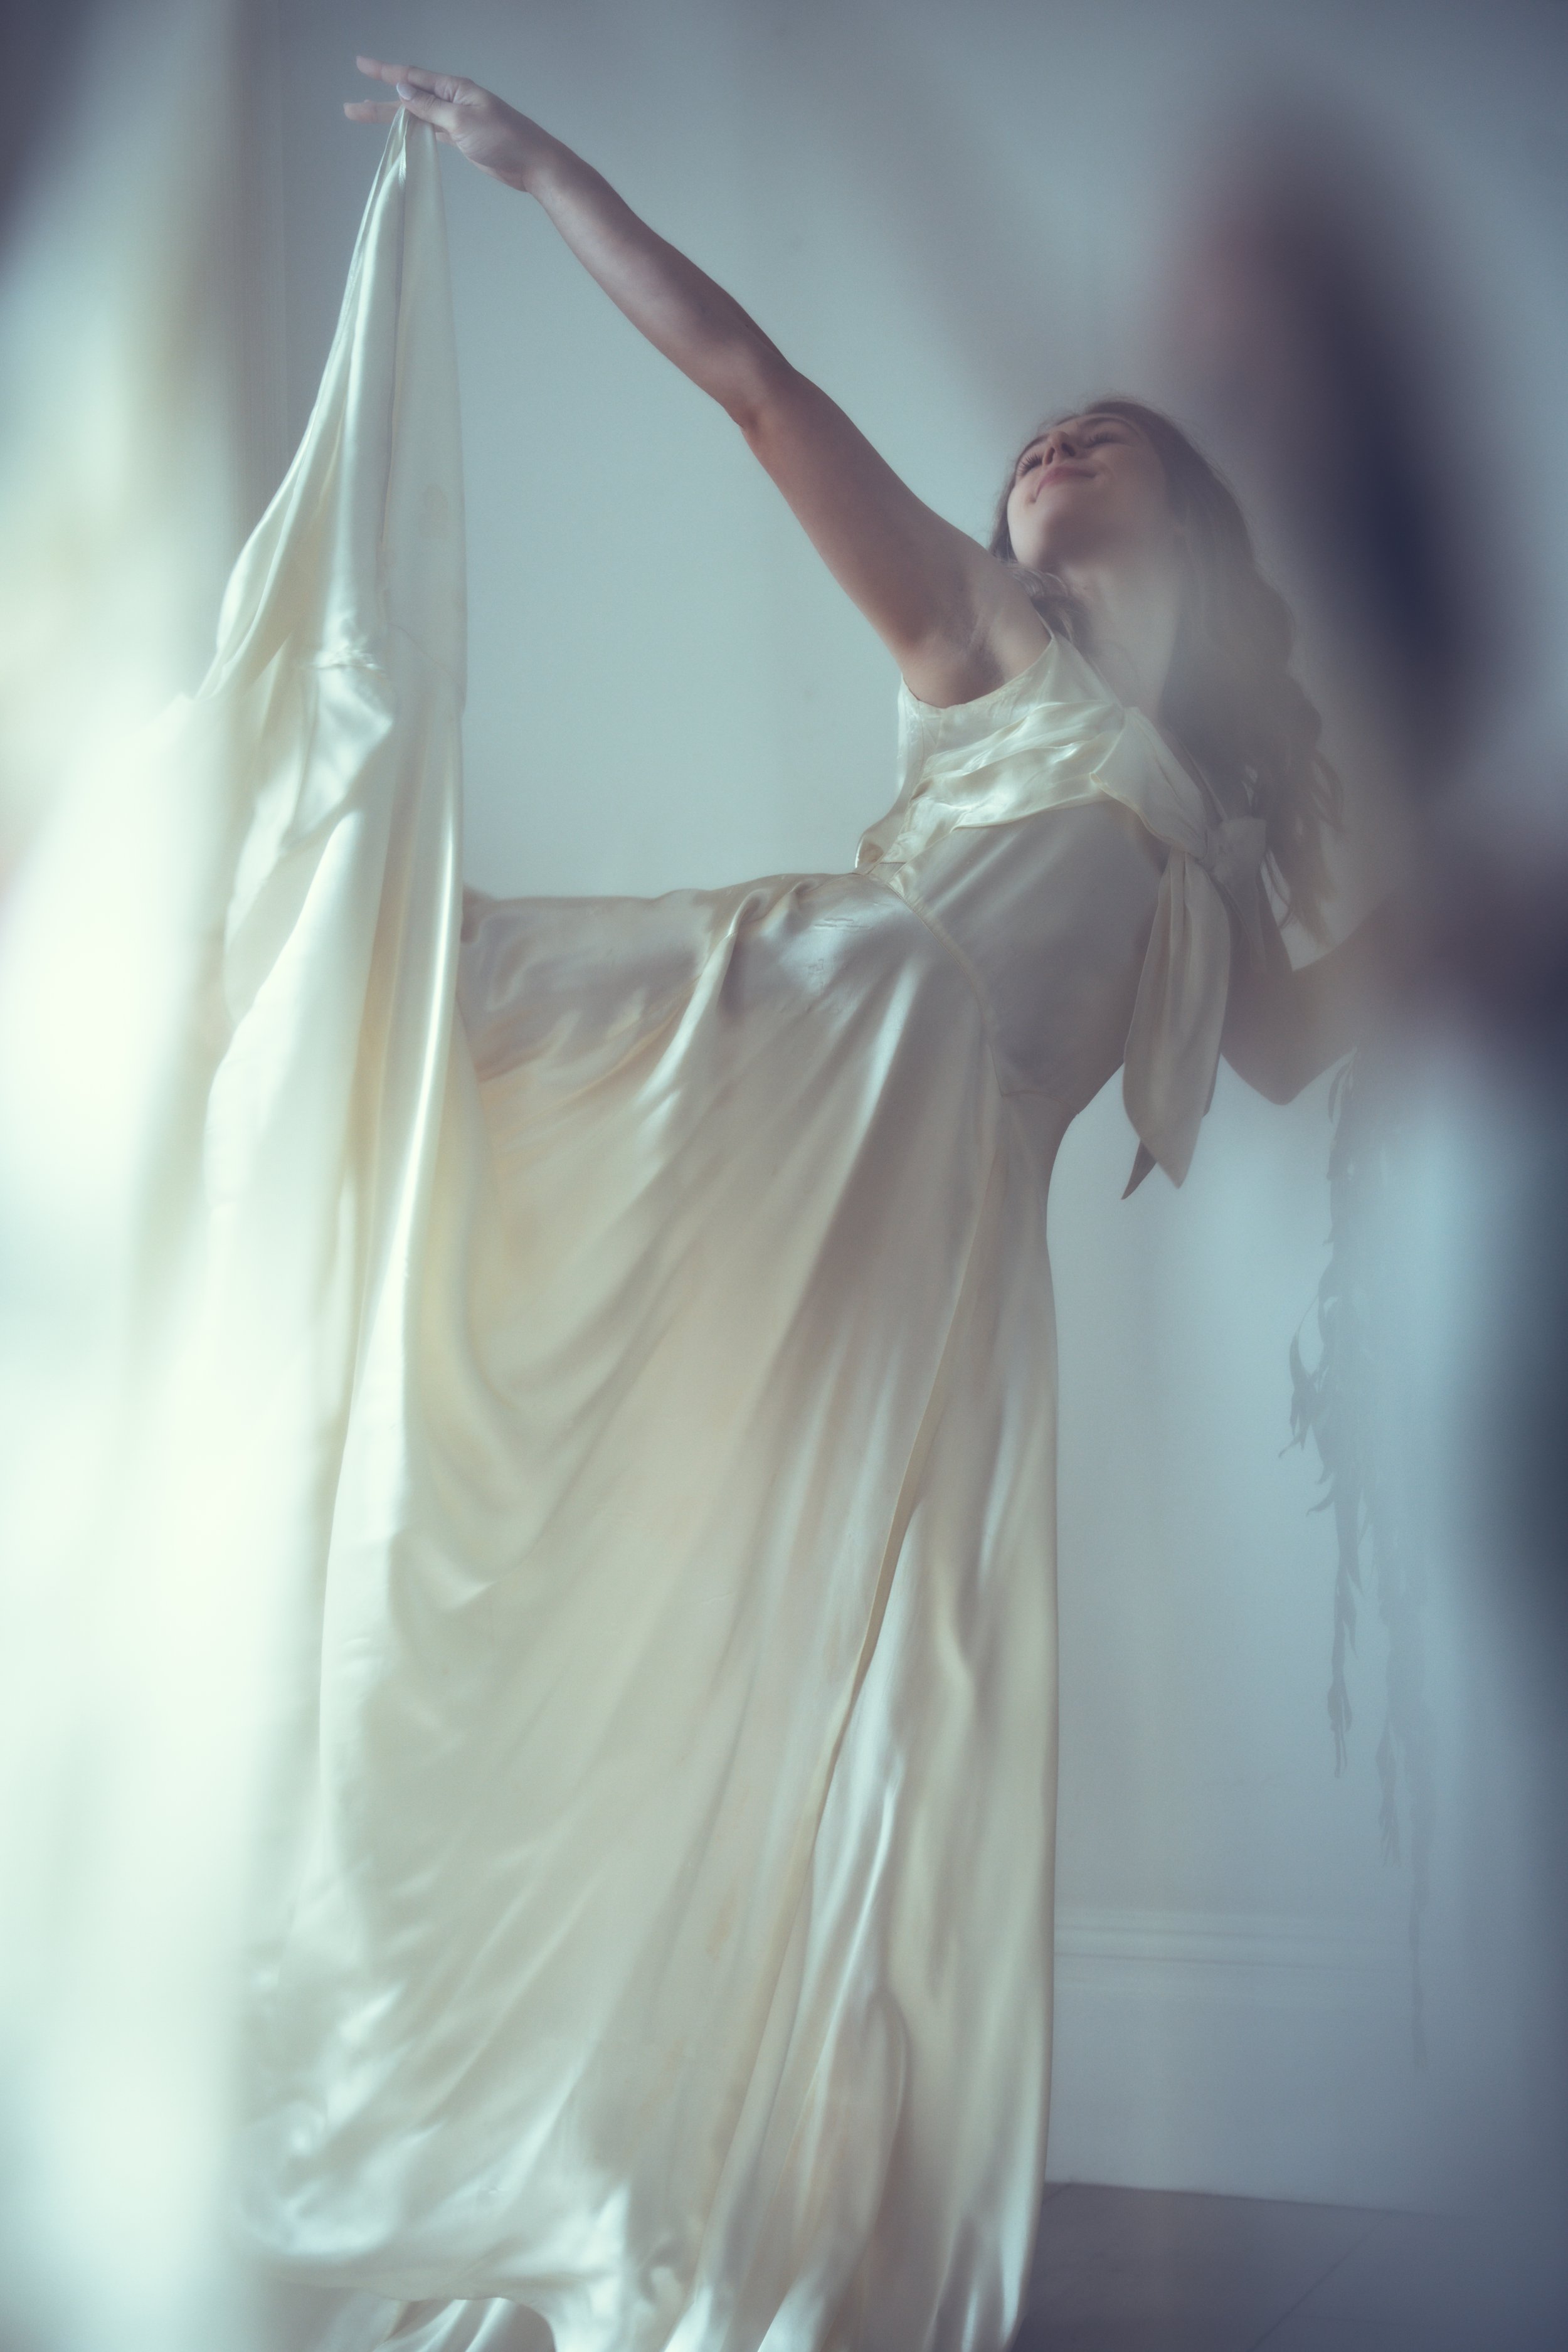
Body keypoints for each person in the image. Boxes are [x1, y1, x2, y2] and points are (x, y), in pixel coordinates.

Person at [252, 58, 1374, 2352]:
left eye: (1107, 431)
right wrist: (543, 167)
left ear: (1198, 520)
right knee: (386, 982)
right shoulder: (991, 650)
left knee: (838, 1709)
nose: (1054, 438)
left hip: (936, 1256)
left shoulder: (1223, 852)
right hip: (794, 1053)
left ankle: (706, 2145)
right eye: (1033, 433)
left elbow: (1321, 1039)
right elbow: (754, 384)